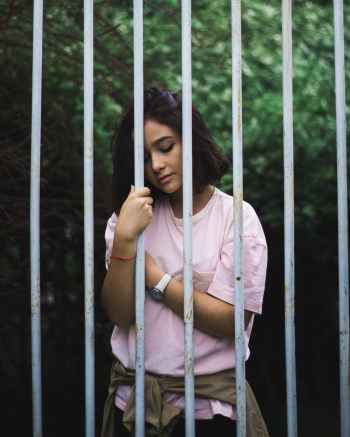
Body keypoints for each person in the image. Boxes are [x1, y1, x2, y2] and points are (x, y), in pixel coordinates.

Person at [100, 87, 269, 437]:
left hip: (210, 410)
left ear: (190, 140)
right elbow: (119, 314)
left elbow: (229, 320)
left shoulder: (235, 217)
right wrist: (126, 240)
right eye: (145, 157)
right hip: (134, 408)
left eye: (165, 148)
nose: (156, 166)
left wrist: (156, 279)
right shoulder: (130, 217)